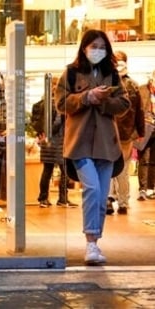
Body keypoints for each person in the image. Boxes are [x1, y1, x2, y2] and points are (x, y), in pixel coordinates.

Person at [54, 29, 130, 265]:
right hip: (79, 143)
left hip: (107, 145)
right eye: (93, 46)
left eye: (102, 46)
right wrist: (87, 97)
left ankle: (94, 243)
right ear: (84, 47)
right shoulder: (71, 73)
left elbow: (124, 103)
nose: (97, 50)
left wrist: (105, 100)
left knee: (100, 195)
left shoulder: (112, 74)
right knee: (92, 190)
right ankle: (90, 242)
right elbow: (60, 104)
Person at [106, 51, 145, 215]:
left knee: (107, 168)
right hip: (126, 134)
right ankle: (123, 202)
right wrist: (140, 131)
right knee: (123, 169)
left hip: (107, 134)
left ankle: (108, 199)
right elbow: (140, 111)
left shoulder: (106, 83)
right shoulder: (134, 85)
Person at [30, 79, 78, 208]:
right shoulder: (56, 103)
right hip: (58, 141)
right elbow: (56, 123)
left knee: (48, 170)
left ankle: (43, 198)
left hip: (47, 141)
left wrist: (43, 133)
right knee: (64, 170)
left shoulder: (42, 103)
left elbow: (36, 121)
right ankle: (62, 198)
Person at [136, 73, 155, 201]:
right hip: (145, 128)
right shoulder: (142, 89)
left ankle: (151, 188)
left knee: (154, 160)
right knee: (144, 159)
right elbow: (138, 109)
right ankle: (142, 189)